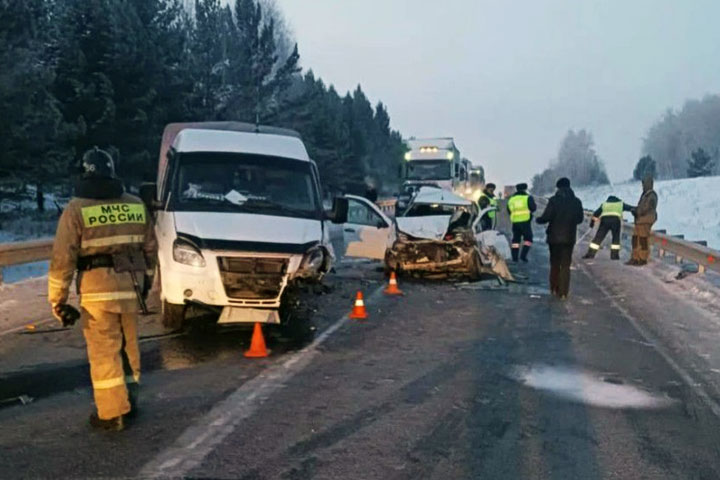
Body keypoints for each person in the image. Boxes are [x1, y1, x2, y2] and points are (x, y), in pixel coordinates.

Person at [48, 147, 157, 431]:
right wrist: (147, 285)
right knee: (129, 348)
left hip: (97, 293)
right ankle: (131, 402)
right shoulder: (135, 204)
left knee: (104, 352)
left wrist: (57, 300)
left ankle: (112, 413)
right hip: (131, 289)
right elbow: (150, 250)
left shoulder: (75, 209)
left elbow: (63, 258)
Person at [536, 177, 584, 299]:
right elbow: (580, 219)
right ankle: (563, 292)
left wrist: (538, 219)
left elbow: (547, 217)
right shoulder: (576, 202)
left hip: (554, 238)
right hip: (569, 238)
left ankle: (554, 288)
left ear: (558, 187)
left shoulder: (553, 200)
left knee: (555, 264)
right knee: (566, 265)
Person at [582, 195, 633, 260]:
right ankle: (614, 256)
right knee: (615, 238)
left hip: (604, 221)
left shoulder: (604, 204)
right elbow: (630, 208)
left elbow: (596, 214)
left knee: (598, 238)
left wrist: (592, 224)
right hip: (615, 221)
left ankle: (590, 254)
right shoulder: (620, 204)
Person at [627, 176, 658, 266]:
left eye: (644, 184)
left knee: (643, 240)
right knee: (635, 239)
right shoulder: (645, 194)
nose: (643, 186)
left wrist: (637, 211)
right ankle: (635, 257)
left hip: (645, 220)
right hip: (640, 220)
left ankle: (643, 258)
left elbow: (646, 208)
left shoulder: (651, 195)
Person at [506, 183, 536, 262]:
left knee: (516, 240)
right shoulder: (528, 198)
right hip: (525, 221)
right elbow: (533, 208)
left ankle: (515, 258)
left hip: (515, 222)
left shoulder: (512, 199)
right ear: (525, 189)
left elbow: (509, 210)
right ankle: (523, 256)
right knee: (528, 239)